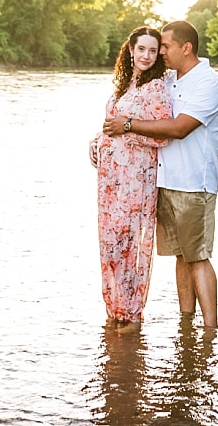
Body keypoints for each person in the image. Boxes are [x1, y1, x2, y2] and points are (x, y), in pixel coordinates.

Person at [103, 20, 218, 328]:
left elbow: (179, 128)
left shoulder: (208, 84)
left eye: (166, 47)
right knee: (180, 257)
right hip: (163, 182)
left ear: (186, 48)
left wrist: (128, 124)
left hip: (193, 184)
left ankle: (210, 330)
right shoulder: (170, 80)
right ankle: (186, 324)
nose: (161, 54)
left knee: (197, 256)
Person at [89, 26, 173, 325]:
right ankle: (114, 312)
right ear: (131, 50)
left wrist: (127, 129)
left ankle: (132, 315)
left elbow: (163, 135)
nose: (147, 56)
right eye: (141, 49)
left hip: (136, 179)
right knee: (111, 242)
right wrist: (97, 142)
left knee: (129, 243)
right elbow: (111, 125)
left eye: (153, 50)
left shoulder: (156, 88)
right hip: (110, 180)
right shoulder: (124, 85)